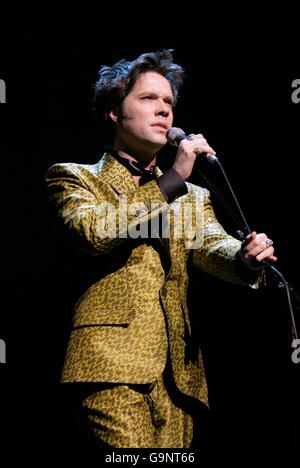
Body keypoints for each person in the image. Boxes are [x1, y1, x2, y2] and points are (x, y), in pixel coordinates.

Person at [44, 49, 277, 448]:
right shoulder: (74, 178)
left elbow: (211, 245)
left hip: (180, 379)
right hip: (109, 364)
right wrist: (171, 180)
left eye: (169, 102)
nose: (164, 110)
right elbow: (94, 231)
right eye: (148, 99)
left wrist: (242, 258)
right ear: (114, 112)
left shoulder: (191, 196)